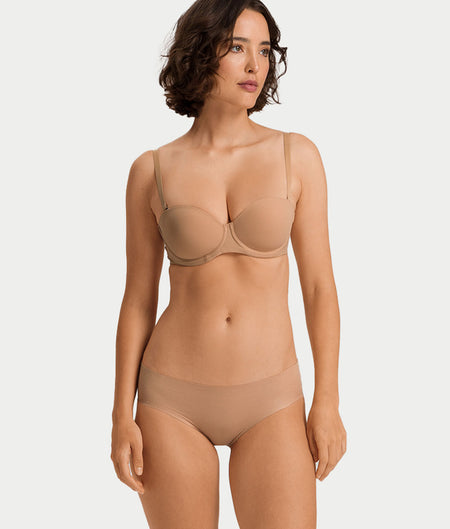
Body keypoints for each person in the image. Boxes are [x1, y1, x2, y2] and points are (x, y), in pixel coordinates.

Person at [111, 0, 346, 527]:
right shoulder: (151, 170)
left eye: (264, 50)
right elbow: (138, 300)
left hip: (272, 399)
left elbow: (319, 288)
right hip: (170, 400)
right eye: (237, 47)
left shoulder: (297, 156)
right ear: (199, 52)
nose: (254, 65)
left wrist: (327, 399)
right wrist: (121, 414)